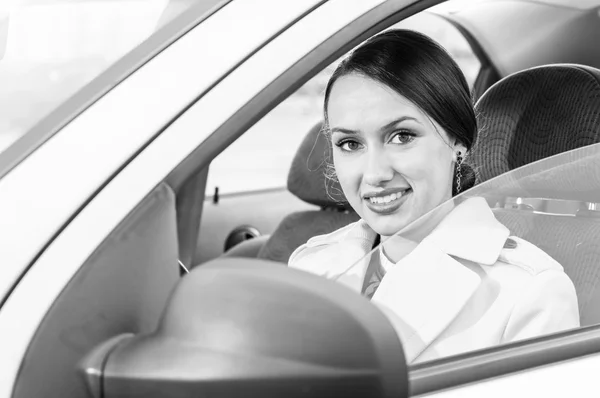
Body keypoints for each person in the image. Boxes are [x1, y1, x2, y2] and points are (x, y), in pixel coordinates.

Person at [288, 29, 580, 364]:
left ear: (458, 142)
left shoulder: (529, 293)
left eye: (402, 136)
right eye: (350, 144)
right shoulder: (309, 265)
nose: (374, 174)